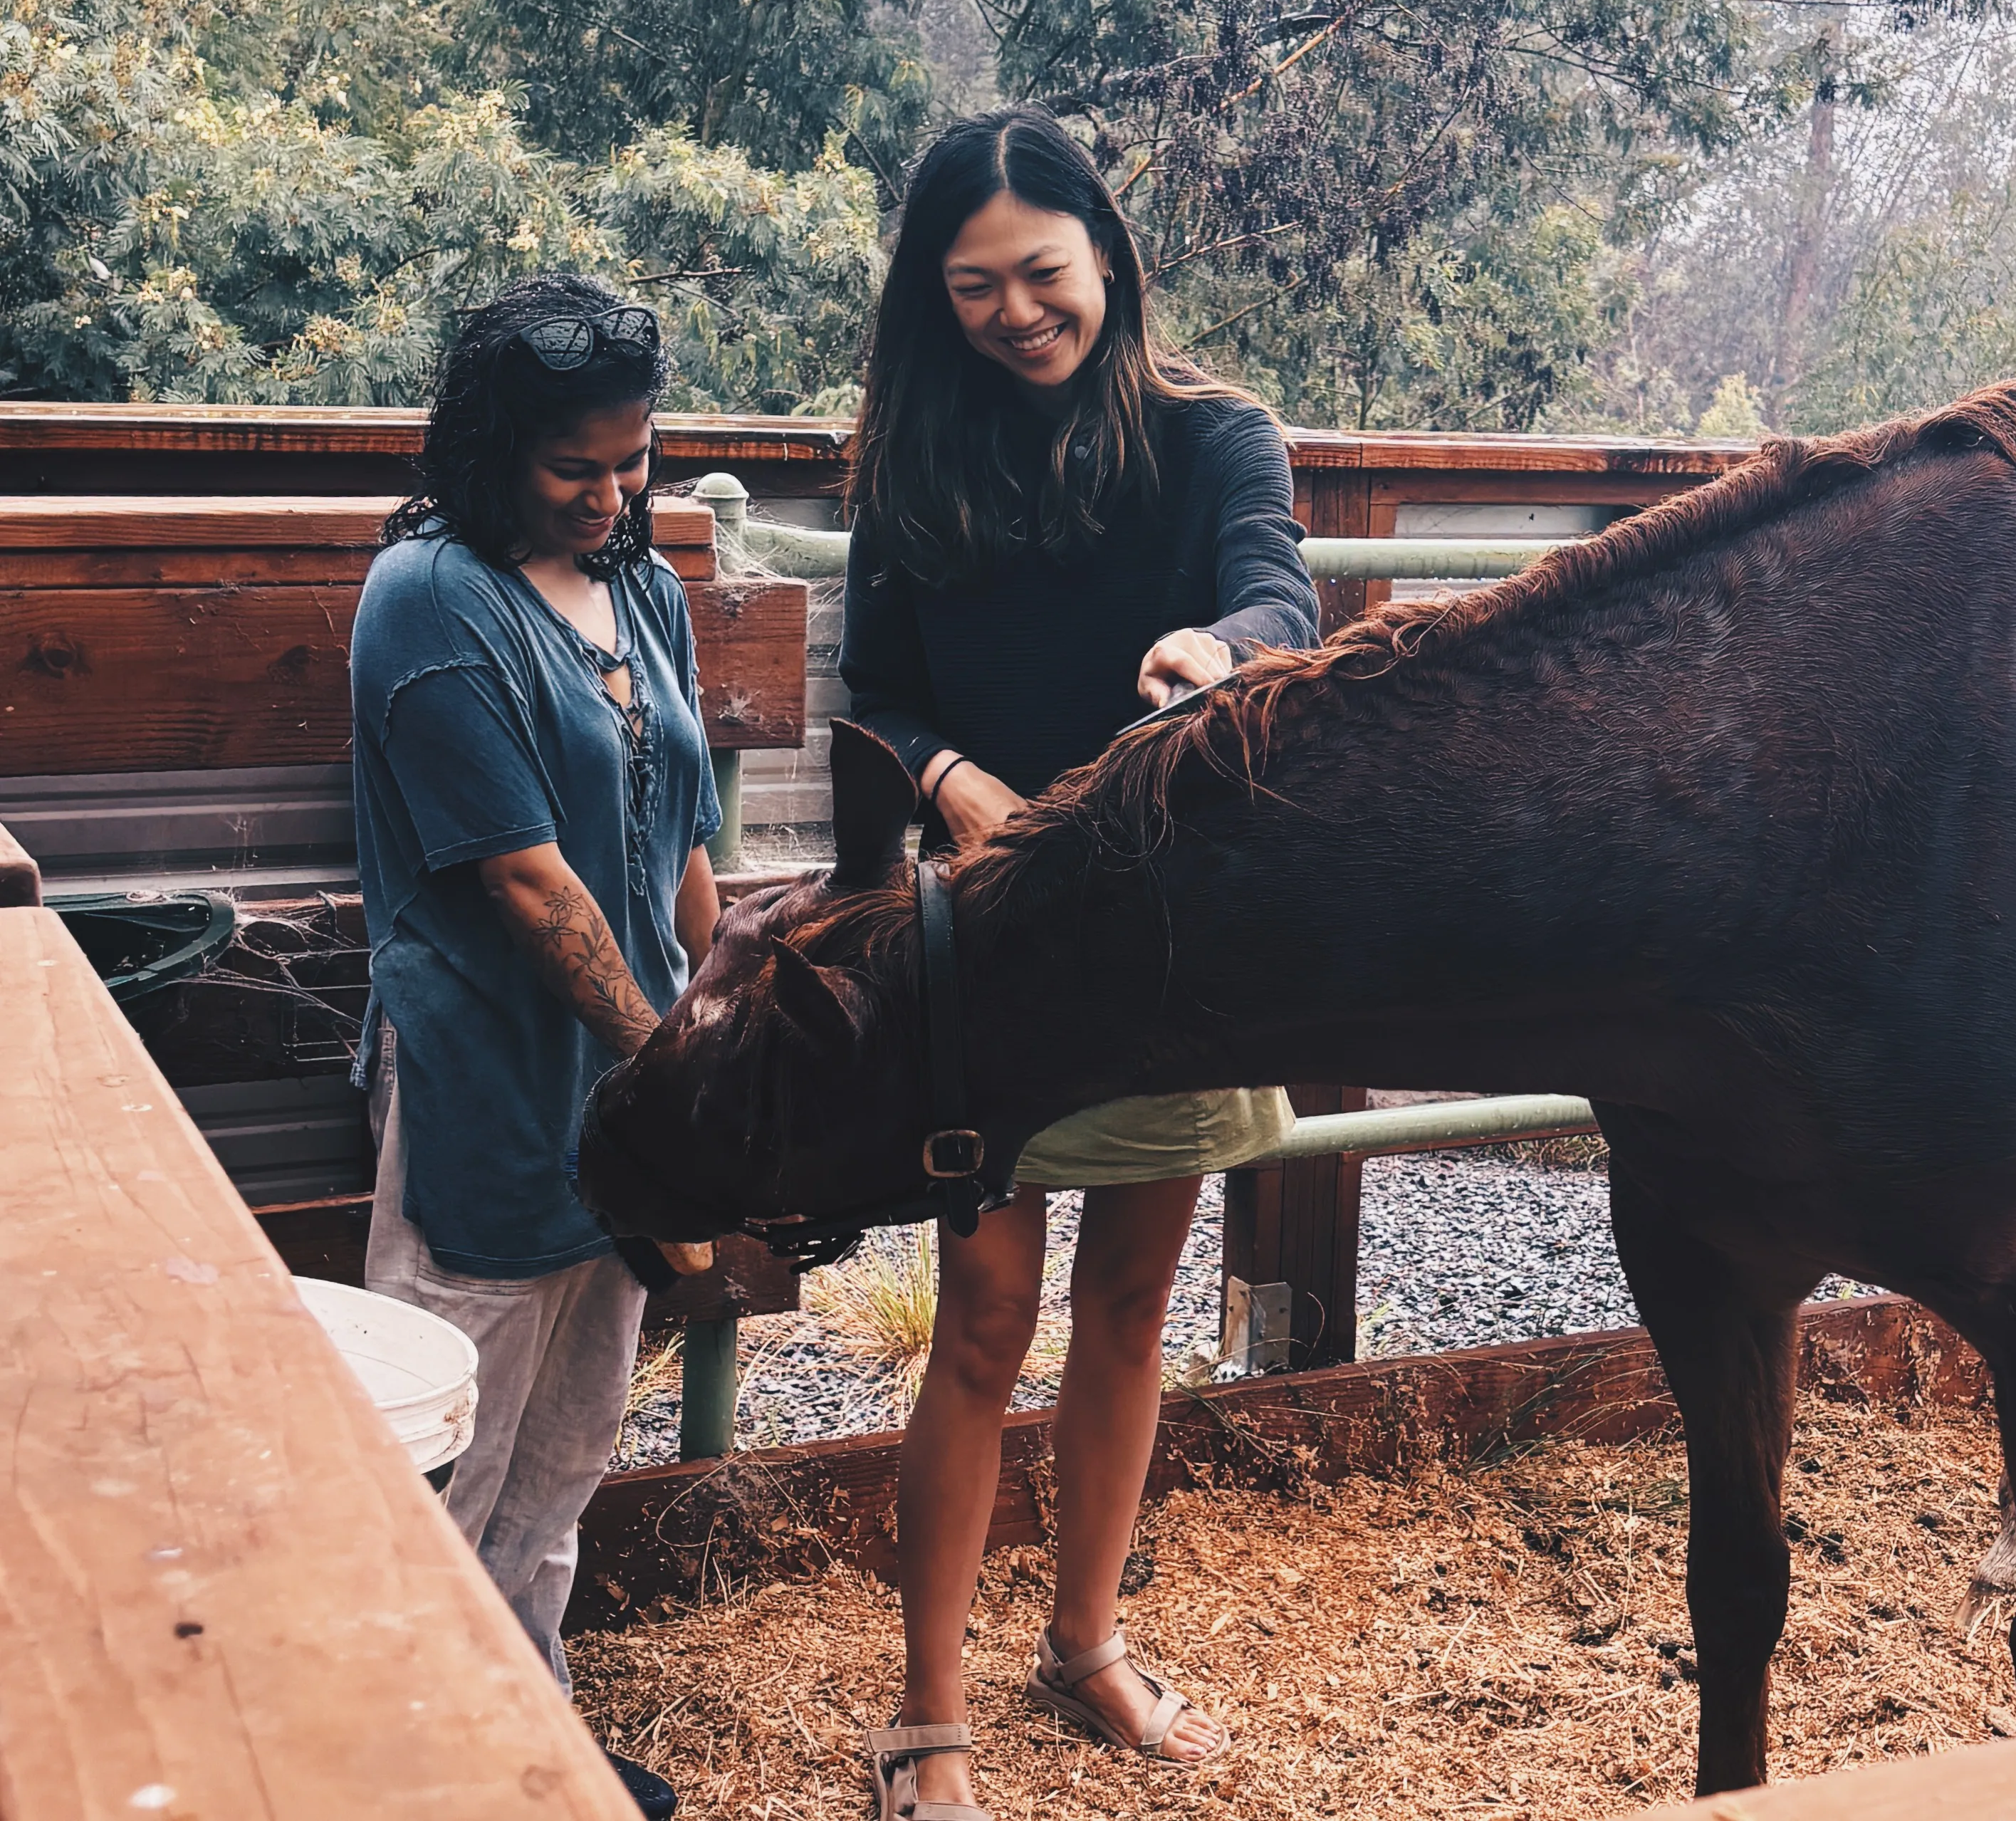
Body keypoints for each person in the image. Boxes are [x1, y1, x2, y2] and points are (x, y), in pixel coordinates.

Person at [840, 106, 1320, 1821]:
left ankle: (1084, 1639)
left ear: (1106, 256)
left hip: (1161, 921)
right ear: (935, 295)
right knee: (979, 1318)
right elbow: (875, 689)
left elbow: (1284, 600)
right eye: (973, 288)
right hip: (985, 926)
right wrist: (949, 777)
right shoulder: (906, 456)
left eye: (1042, 274)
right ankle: (926, 1707)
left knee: (1128, 1308)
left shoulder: (1214, 437)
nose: (1016, 312)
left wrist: (1221, 646)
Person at [349, 275, 724, 1821]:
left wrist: (718, 1014)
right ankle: (404, 1761)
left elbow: (687, 825)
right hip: (491, 1092)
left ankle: (524, 1738)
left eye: (633, 462)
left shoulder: (645, 587)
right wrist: (675, 1076)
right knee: (440, 1457)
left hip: (626, 1090)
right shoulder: (430, 600)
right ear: (490, 450)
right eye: (579, 468)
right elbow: (523, 878)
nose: (613, 494)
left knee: (565, 1461)